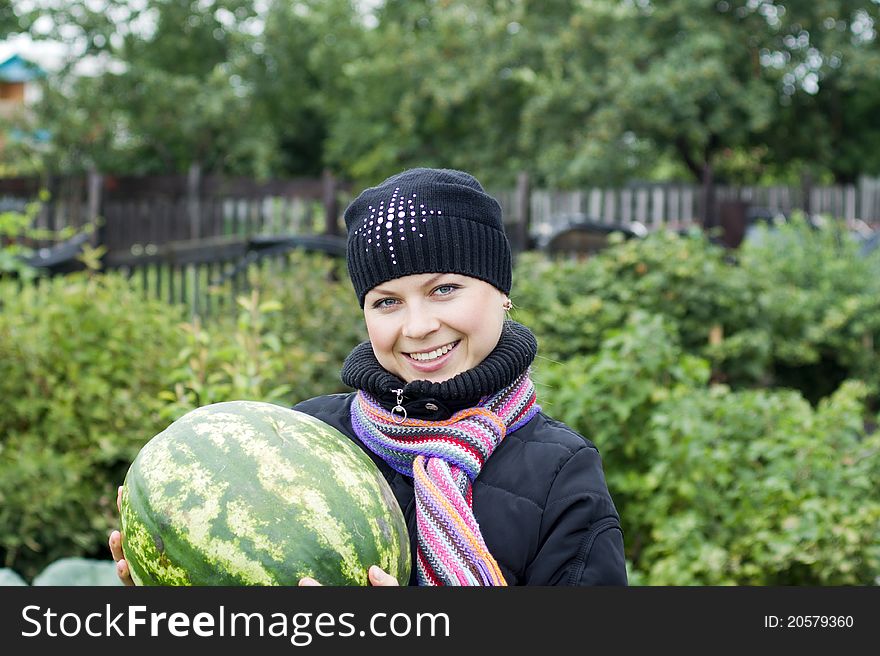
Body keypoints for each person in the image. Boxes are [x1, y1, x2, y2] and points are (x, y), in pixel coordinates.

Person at [110, 167, 627, 586]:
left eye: (445, 289)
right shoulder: (305, 436)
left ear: (501, 292)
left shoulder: (563, 474)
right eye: (387, 302)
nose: (419, 326)